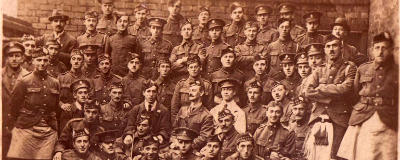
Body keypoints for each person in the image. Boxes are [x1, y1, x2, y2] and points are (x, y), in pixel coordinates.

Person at [338, 32, 398, 160]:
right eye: (377, 48)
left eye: (384, 48)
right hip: (364, 115)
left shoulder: (397, 71)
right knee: (363, 154)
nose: (380, 52)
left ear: (391, 50)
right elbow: (355, 94)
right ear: (372, 50)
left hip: (389, 117)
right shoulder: (363, 69)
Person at [304, 35, 357, 160]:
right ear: (324, 50)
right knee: (315, 154)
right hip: (318, 116)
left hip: (339, 118)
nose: (331, 49)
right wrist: (332, 94)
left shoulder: (349, 67)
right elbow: (308, 92)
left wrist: (322, 88)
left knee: (335, 155)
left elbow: (346, 88)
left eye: (334, 45)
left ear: (341, 48)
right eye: (328, 46)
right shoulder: (319, 69)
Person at [7, 49, 60, 160]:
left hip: (48, 130)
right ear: (33, 61)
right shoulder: (24, 81)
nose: (42, 63)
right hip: (27, 128)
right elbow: (13, 107)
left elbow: (55, 107)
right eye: (39, 60)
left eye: (45, 60)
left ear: (48, 61)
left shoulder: (55, 82)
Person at [1, 42, 30, 159]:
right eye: (11, 55)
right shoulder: (0, 75)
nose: (14, 59)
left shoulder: (28, 76)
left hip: (21, 125)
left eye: (17, 55)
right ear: (6, 58)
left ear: (23, 58)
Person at [124, 80, 172, 147]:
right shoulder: (136, 109)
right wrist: (129, 135)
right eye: (148, 91)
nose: (151, 94)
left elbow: (165, 128)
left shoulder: (163, 110)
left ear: (157, 93)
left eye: (154, 92)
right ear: (143, 93)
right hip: (138, 142)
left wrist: (161, 136)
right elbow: (130, 126)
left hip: (155, 142)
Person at [173, 80, 214, 151]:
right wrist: (174, 142)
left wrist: (187, 146)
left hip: (193, 150)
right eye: (190, 90)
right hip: (177, 146)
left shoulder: (206, 115)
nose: (190, 93)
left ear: (201, 93)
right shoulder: (183, 109)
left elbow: (204, 137)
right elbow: (174, 130)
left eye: (194, 90)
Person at [171, 55, 213, 120]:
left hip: (200, 120)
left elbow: (209, 107)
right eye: (191, 67)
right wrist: (175, 124)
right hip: (183, 118)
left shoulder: (206, 85)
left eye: (196, 67)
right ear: (188, 69)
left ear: (200, 67)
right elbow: (174, 107)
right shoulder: (181, 84)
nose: (193, 69)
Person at [105, 11, 139, 77]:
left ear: (128, 23)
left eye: (125, 21)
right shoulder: (110, 38)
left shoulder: (133, 39)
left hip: (128, 73)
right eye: (120, 21)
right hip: (113, 73)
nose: (122, 24)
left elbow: (137, 57)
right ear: (116, 23)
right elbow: (106, 56)